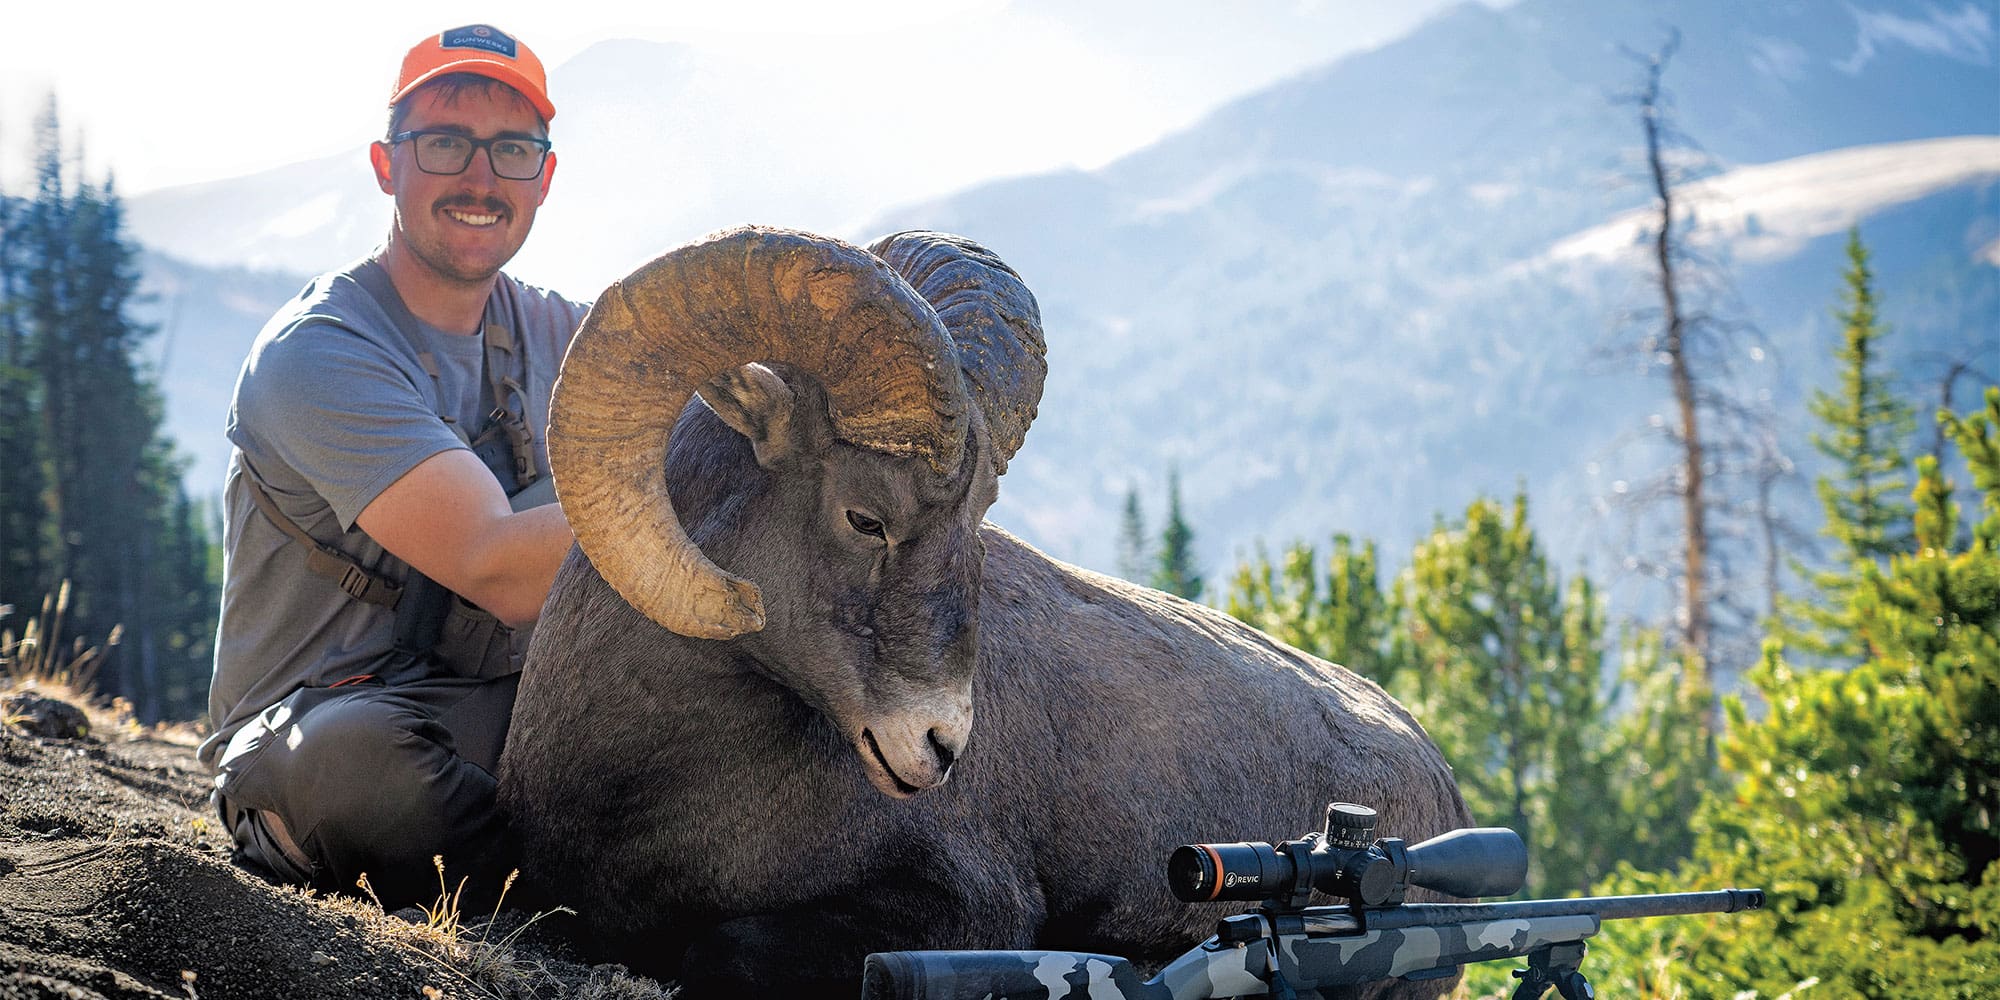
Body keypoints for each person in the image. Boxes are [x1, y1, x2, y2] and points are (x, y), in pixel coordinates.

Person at [199, 24, 587, 909]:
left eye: (513, 150)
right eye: (446, 143)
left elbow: (707, 394)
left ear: (544, 178)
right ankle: (581, 895)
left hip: (492, 707)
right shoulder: (317, 352)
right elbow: (494, 564)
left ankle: (562, 873)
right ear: (386, 165)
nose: (481, 178)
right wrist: (688, 494)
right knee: (357, 768)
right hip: (318, 724)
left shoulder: (565, 334)